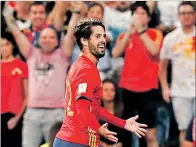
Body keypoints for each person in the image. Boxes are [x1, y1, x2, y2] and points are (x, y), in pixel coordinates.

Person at [54, 19, 147, 147]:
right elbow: (83, 109)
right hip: (79, 141)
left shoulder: (79, 65)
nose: (103, 40)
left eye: (103, 36)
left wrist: (123, 123)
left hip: (68, 139)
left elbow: (93, 108)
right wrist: (98, 128)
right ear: (84, 40)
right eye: (97, 36)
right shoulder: (86, 70)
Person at [3, 2, 82, 147]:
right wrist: (8, 14)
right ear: (38, 40)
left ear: (57, 41)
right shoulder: (31, 53)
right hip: (32, 113)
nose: (47, 40)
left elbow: (70, 33)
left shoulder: (62, 55)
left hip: (57, 112)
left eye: (52, 37)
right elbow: (15, 32)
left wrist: (76, 13)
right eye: (44, 37)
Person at [112, 3, 163, 147]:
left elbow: (154, 50)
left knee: (150, 135)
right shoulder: (124, 35)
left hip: (148, 89)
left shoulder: (155, 33)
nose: (139, 16)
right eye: (136, 13)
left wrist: (141, 31)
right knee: (124, 132)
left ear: (148, 18)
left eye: (142, 14)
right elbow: (115, 53)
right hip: (127, 88)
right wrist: (130, 31)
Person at [159, 2, 196, 147]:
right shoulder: (171, 38)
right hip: (180, 91)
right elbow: (162, 66)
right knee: (184, 129)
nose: (186, 16)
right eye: (183, 13)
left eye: (189, 13)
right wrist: (164, 88)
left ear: (194, 15)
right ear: (178, 16)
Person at [1, 33, 28, 147]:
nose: (3, 48)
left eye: (6, 44)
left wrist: (17, 118)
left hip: (17, 116)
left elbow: (27, 96)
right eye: (1, 45)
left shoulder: (22, 66)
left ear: (12, 45)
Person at [100, 79, 125, 147]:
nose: (109, 93)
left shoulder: (123, 110)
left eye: (112, 90)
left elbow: (127, 138)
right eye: (106, 90)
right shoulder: (94, 110)